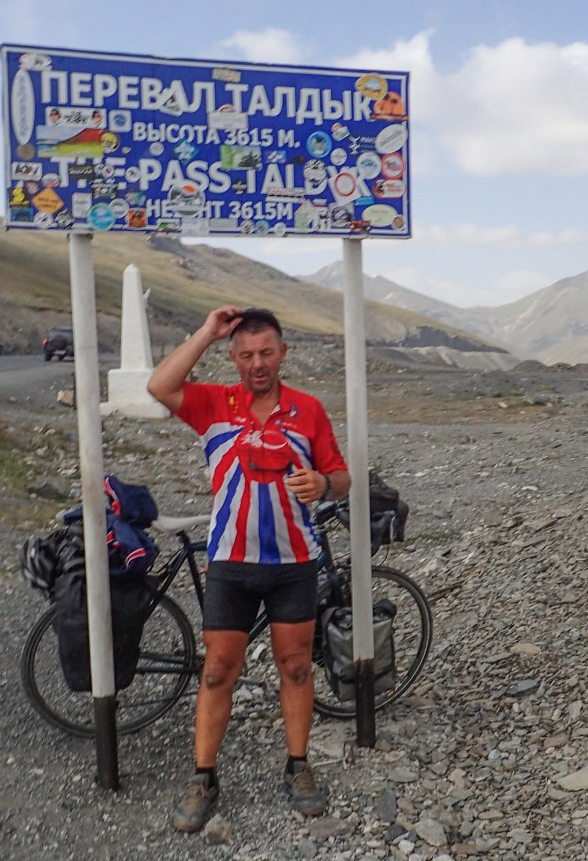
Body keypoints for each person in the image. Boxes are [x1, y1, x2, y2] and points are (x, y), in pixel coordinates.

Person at [147, 306, 350, 832]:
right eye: (245, 355)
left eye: (266, 353)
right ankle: (203, 778)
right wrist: (208, 332)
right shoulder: (214, 402)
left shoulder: (308, 409)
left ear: (283, 354)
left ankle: (298, 767)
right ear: (234, 358)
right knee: (217, 671)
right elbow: (159, 385)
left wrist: (324, 486)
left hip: (293, 563)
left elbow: (341, 474)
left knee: (297, 665)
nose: (257, 363)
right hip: (232, 563)